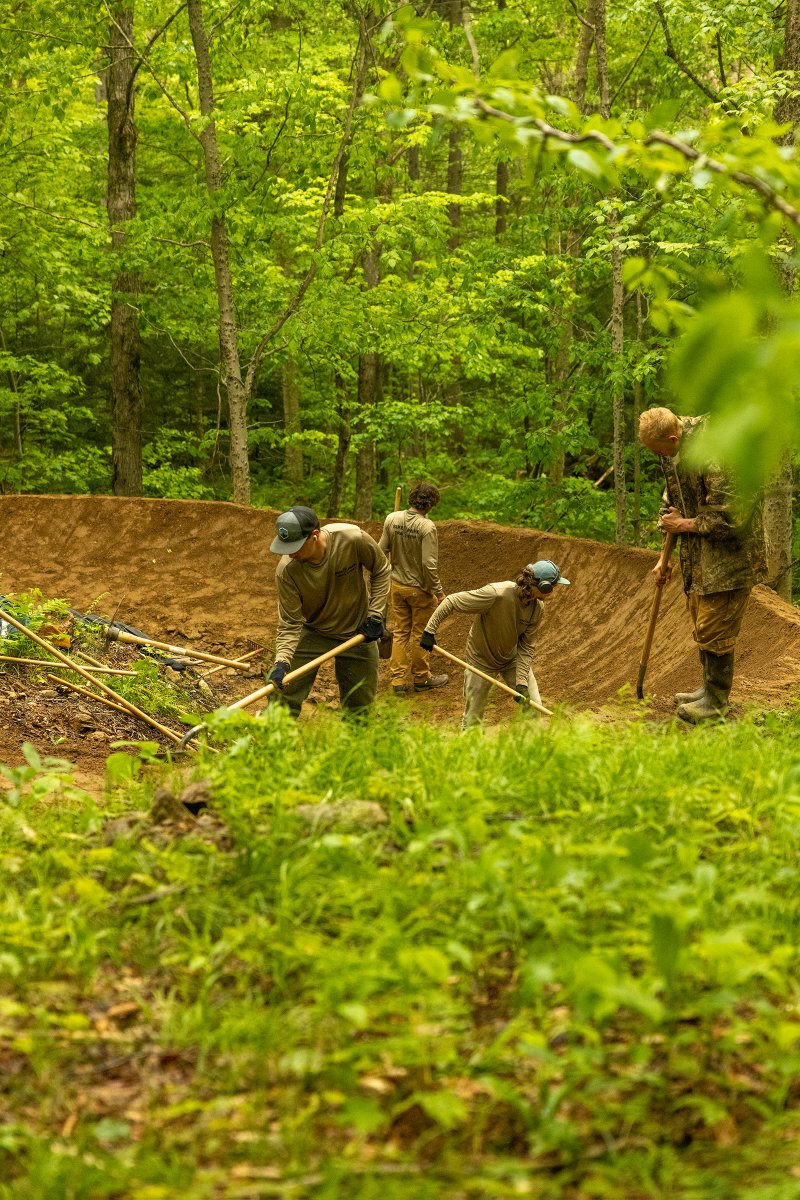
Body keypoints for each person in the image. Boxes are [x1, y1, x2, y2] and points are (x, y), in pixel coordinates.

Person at [638, 406, 766, 723]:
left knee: (715, 624)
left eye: (659, 451)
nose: (660, 457)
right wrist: (664, 556)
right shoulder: (676, 448)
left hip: (731, 554)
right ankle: (707, 688)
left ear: (672, 436)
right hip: (700, 551)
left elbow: (731, 517)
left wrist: (682, 525)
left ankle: (717, 701)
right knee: (700, 616)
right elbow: (674, 496)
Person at [267, 505, 392, 718]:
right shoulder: (287, 571)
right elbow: (289, 623)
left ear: (314, 536)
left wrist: (375, 615)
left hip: (359, 631)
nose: (291, 554)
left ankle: (352, 749)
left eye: (296, 547)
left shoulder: (352, 539)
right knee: (281, 694)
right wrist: (282, 661)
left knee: (360, 708)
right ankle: (276, 746)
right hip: (314, 631)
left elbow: (381, 569)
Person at [419, 560, 570, 729]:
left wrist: (521, 681)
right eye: (553, 587)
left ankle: (530, 751)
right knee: (473, 719)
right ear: (544, 587)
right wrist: (429, 630)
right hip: (480, 660)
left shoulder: (537, 609)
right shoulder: (497, 594)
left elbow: (526, 646)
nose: (553, 592)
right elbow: (452, 601)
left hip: (511, 659)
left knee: (534, 706)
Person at [379, 482, 449, 696]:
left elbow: (381, 549)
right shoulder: (427, 527)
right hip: (419, 590)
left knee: (400, 632)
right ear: (431, 504)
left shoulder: (392, 519)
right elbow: (429, 564)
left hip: (397, 586)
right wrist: (438, 591)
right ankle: (421, 677)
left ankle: (398, 681)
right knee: (421, 633)